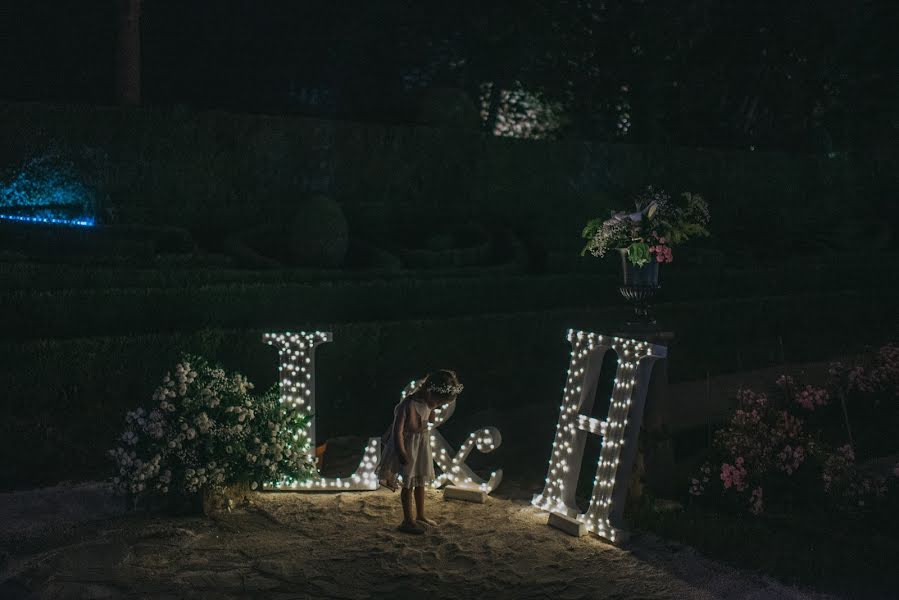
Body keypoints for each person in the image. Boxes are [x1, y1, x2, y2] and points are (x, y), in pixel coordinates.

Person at [377, 369, 463, 534]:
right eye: (438, 402)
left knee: (420, 482)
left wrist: (431, 411)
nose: (438, 406)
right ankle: (407, 521)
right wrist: (401, 452)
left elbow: (428, 419)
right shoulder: (407, 405)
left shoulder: (427, 403)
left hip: (421, 446)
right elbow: (397, 431)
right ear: (429, 391)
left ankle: (421, 515)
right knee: (408, 485)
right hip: (408, 447)